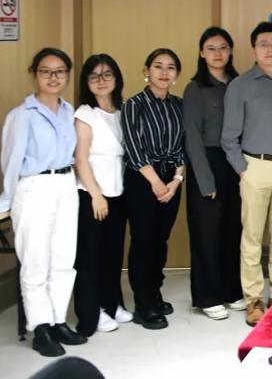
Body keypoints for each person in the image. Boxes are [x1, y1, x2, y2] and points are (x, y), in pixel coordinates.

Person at [0, 48, 87, 356]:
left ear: (67, 75)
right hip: (34, 187)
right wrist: (6, 202)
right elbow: (11, 162)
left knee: (63, 259)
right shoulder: (22, 115)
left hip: (65, 184)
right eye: (46, 71)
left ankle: (58, 320)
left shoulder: (68, 111)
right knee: (35, 261)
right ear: (34, 74)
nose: (53, 77)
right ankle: (40, 328)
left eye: (60, 71)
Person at [221, 21, 272, 326]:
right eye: (263, 44)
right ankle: (253, 298)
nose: (269, 49)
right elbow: (229, 137)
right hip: (254, 167)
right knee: (252, 237)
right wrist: (243, 171)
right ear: (254, 49)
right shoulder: (240, 86)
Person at [122, 47, 185, 330]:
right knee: (144, 241)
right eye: (158, 66)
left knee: (161, 239)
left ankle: (155, 293)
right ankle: (143, 304)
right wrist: (157, 182)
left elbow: (183, 146)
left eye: (170, 67)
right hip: (142, 179)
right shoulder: (134, 105)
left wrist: (176, 180)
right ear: (146, 71)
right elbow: (134, 149)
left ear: (176, 74)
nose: (164, 72)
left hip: (172, 180)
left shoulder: (179, 105)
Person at [183, 27, 243, 321]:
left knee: (233, 230)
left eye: (223, 48)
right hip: (207, 162)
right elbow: (192, 137)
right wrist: (205, 180)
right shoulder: (195, 88)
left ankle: (231, 290)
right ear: (201, 53)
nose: (217, 53)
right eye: (211, 48)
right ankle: (207, 296)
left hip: (236, 161)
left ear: (230, 51)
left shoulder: (239, 83)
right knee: (207, 232)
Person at [72, 54, 131, 336]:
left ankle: (111, 303)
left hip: (117, 192)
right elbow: (81, 158)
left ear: (116, 78)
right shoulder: (85, 114)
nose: (101, 80)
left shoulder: (122, 111)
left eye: (107, 74)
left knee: (112, 254)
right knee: (90, 257)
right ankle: (90, 313)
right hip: (92, 194)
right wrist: (96, 195)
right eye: (94, 76)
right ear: (86, 82)